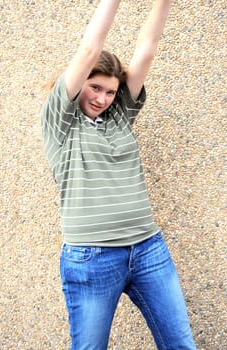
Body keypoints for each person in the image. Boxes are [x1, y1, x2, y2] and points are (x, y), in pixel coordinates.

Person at [41, 0, 197, 349]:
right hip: (92, 259)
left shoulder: (120, 116)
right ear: (80, 82)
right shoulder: (60, 122)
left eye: (110, 91)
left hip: (148, 249)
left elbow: (146, 51)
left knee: (181, 345)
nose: (102, 98)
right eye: (95, 87)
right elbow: (89, 48)